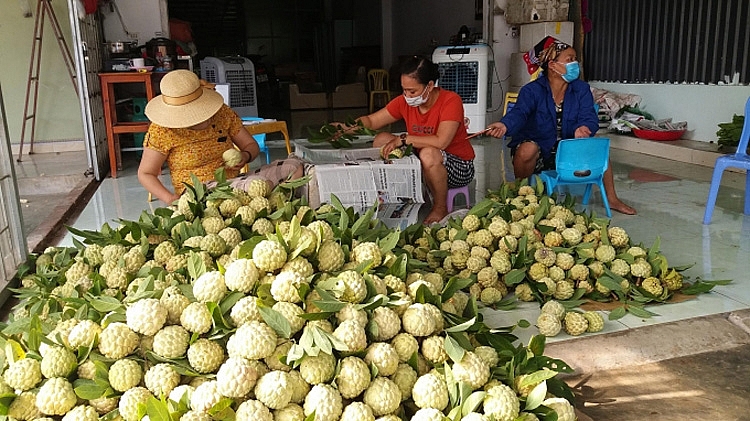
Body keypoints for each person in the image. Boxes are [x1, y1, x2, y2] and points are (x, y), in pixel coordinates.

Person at [486, 37, 636, 215]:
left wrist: (584, 128)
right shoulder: (532, 91)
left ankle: (612, 199)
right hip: (541, 147)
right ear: (552, 65)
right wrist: (504, 125)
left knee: (598, 151)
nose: (575, 64)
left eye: (575, 59)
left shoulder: (581, 89)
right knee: (526, 150)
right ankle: (522, 194)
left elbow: (589, 115)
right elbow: (520, 113)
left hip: (567, 148)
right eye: (569, 59)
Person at [340, 56, 475, 224]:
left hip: (458, 166)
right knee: (382, 139)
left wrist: (403, 139)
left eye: (413, 91)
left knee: (428, 154)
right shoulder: (404, 102)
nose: (407, 95)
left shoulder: (450, 101)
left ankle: (440, 207)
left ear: (430, 86)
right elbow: (372, 121)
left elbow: (442, 142)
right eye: (404, 90)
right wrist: (344, 128)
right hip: (421, 160)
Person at [138, 70, 302, 204]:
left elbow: (251, 145)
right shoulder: (162, 131)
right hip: (200, 193)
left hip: (235, 182)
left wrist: (245, 156)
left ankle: (283, 208)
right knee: (256, 186)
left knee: (293, 166)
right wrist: (170, 198)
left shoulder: (222, 113)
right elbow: (146, 173)